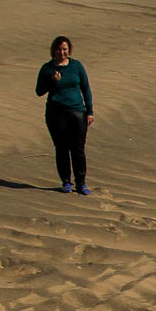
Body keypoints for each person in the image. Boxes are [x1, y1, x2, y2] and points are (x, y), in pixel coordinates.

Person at [36, 35, 95, 195]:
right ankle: (66, 182)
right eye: (59, 49)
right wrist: (51, 81)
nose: (61, 52)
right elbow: (39, 91)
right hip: (56, 113)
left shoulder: (76, 66)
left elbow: (86, 88)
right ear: (53, 50)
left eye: (64, 49)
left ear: (69, 50)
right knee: (62, 148)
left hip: (77, 112)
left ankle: (81, 183)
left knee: (78, 149)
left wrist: (89, 111)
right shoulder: (47, 68)